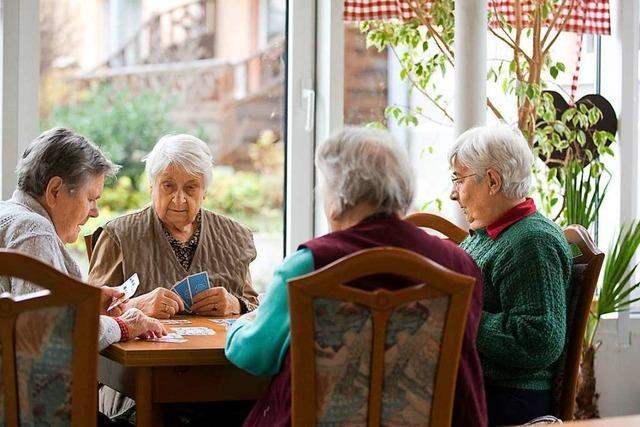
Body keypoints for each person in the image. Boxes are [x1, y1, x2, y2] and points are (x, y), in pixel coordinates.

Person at [225, 127, 488, 427]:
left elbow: (256, 354)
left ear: (338, 197)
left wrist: (238, 326)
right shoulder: (460, 264)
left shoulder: (309, 264)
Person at [449, 123, 572, 426]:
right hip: (484, 388)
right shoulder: (488, 234)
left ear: (491, 181)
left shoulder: (532, 241)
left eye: (459, 180)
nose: (453, 194)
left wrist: (457, 316)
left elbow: (539, 339)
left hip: (508, 397)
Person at [0, 127, 166, 349]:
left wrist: (83, 302)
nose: (95, 212)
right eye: (90, 199)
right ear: (55, 190)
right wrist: (122, 325)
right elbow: (47, 332)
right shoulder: (33, 229)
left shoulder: (8, 215)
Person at [88, 134, 258, 319]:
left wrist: (237, 304)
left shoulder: (234, 236)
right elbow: (89, 310)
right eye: (168, 186)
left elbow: (256, 306)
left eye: (190, 188)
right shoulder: (118, 235)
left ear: (205, 192)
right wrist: (135, 305)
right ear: (151, 187)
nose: (179, 199)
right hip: (143, 348)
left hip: (221, 348)